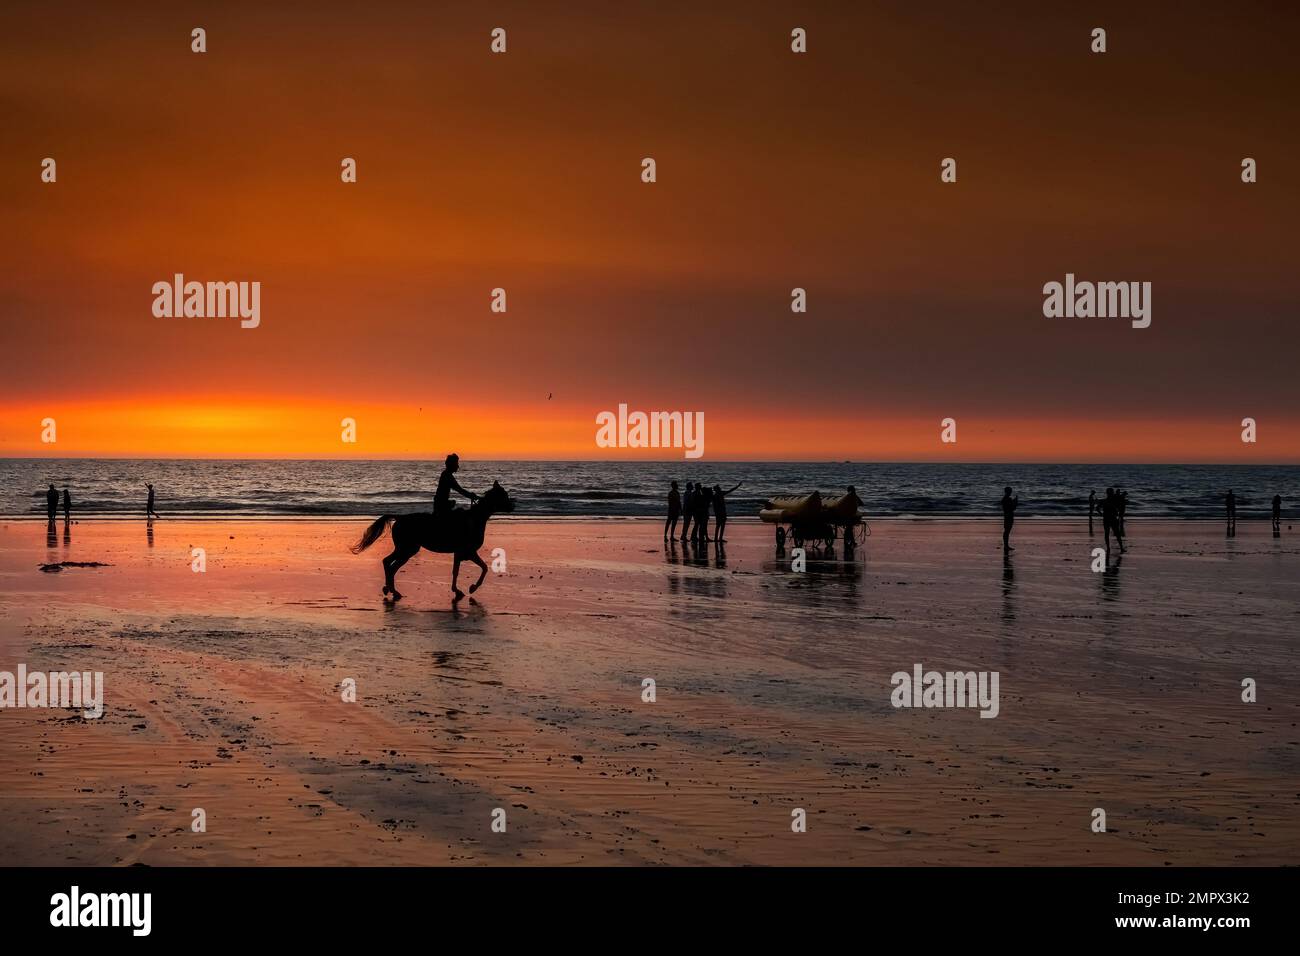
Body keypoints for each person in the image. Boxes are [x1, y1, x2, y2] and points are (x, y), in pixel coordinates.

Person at [1101, 487, 1126, 553]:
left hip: (1106, 519)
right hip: (1113, 519)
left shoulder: (1104, 501)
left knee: (1107, 533)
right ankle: (1121, 548)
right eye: (1112, 492)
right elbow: (1120, 500)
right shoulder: (1114, 500)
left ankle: (1108, 548)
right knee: (1117, 534)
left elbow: (1097, 508)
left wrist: (1101, 514)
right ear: (1111, 493)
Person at [1000, 486, 1018, 551]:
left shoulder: (1004, 499)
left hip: (1007, 516)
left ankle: (1006, 545)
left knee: (1006, 531)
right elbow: (1012, 508)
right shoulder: (1007, 499)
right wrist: (1015, 502)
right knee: (1007, 531)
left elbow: (1007, 507)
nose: (1011, 492)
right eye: (1010, 491)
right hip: (1009, 516)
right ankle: (1006, 546)